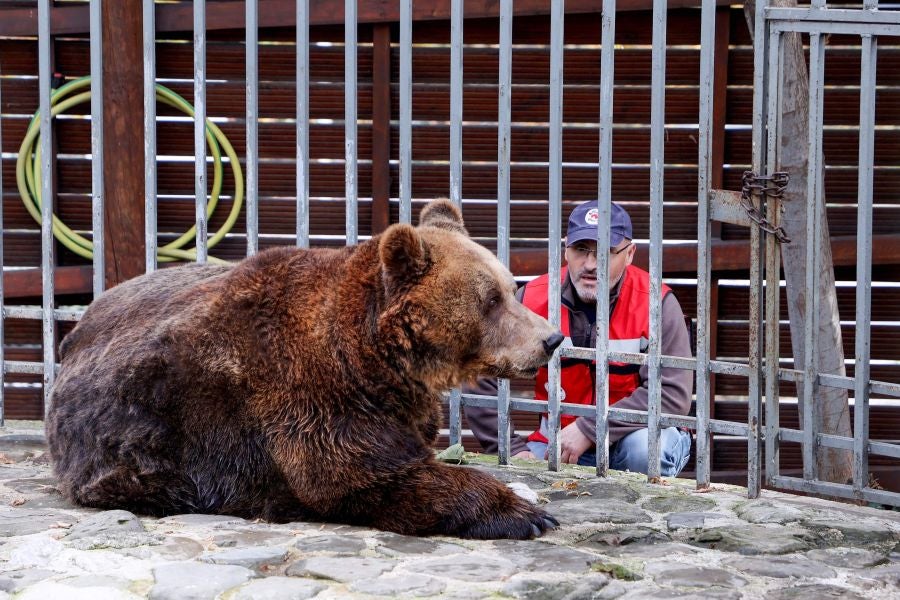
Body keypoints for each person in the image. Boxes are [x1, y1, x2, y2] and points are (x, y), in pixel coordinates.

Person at [463, 200, 694, 476]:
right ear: (565, 249)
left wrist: (591, 427)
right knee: (522, 482)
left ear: (630, 253)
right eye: (581, 250)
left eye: (606, 251)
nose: (590, 264)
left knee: (646, 452)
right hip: (557, 444)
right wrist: (511, 448)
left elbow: (672, 395)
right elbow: (479, 375)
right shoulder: (532, 300)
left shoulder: (657, 303)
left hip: (631, 440)